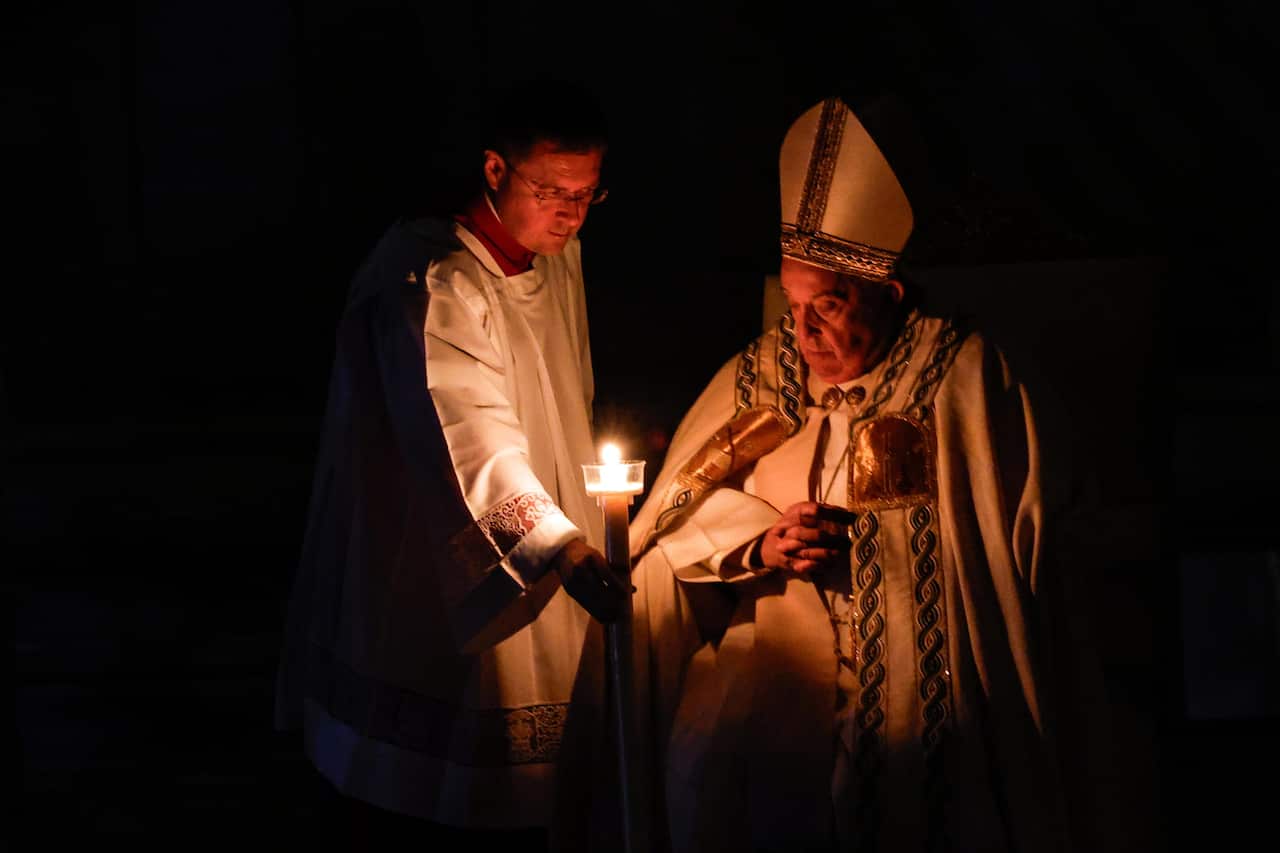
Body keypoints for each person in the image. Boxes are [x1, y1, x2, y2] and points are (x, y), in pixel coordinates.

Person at [554, 95, 1121, 853]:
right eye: (791, 305)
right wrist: (759, 544)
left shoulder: (963, 380)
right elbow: (664, 533)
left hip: (926, 702)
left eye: (826, 304)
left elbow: (1042, 560)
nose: (803, 331)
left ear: (887, 295)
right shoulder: (759, 375)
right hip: (768, 706)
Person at [273, 78, 627, 849]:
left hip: (550, 528)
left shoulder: (555, 256)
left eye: (588, 195)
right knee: (455, 783)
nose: (570, 213)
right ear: (495, 170)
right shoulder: (433, 279)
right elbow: (465, 434)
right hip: (442, 562)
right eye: (553, 191)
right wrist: (559, 545)